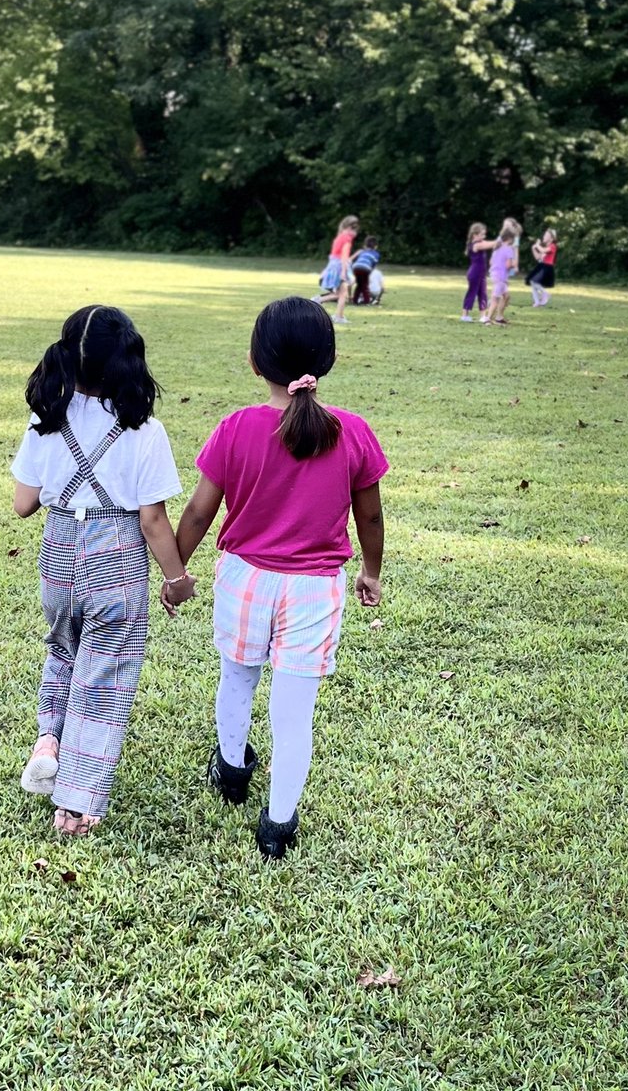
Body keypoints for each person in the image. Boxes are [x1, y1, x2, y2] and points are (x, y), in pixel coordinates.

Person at [168, 297, 388, 860]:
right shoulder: (353, 431)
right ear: (328, 360)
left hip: (244, 580)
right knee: (295, 711)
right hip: (314, 589)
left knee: (237, 679)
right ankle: (278, 824)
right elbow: (369, 515)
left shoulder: (237, 427)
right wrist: (370, 571)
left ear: (254, 361)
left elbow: (197, 513)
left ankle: (234, 769)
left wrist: (177, 572)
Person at [11, 306, 195, 836]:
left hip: (59, 549)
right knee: (106, 674)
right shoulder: (144, 429)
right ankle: (76, 803)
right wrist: (176, 579)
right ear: (128, 361)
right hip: (116, 553)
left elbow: (24, 503)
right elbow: (154, 520)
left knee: (63, 646)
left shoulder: (47, 418)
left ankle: (50, 739)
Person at [312, 215, 359, 325]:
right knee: (343, 294)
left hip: (333, 266)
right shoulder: (347, 239)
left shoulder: (339, 237)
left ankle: (319, 301)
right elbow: (344, 256)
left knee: (341, 294)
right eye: (355, 229)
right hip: (339, 268)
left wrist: (326, 269)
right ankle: (337, 316)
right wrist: (343, 272)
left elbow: (333, 255)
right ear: (351, 228)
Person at [462, 223, 496, 322]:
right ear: (475, 235)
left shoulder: (480, 242)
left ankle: (483, 316)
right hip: (474, 274)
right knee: (472, 293)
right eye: (481, 234)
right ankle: (464, 315)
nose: (483, 236)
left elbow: (489, 243)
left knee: (483, 293)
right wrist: (502, 239)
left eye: (484, 234)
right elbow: (490, 244)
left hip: (481, 274)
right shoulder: (476, 245)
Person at [484, 228, 516, 324]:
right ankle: (488, 319)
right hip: (500, 277)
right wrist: (513, 265)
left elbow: (490, 262)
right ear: (510, 239)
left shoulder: (497, 248)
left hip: (494, 275)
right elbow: (508, 265)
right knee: (495, 299)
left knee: (506, 296)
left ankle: (499, 317)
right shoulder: (509, 249)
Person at [526, 229, 558, 306]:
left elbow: (543, 250)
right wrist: (533, 248)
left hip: (547, 268)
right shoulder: (545, 247)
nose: (544, 236)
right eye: (544, 234)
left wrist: (537, 245)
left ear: (551, 239)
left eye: (546, 235)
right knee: (533, 283)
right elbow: (538, 257)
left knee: (533, 282)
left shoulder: (552, 246)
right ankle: (537, 302)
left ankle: (545, 294)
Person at [350, 236, 382, 305]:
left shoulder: (363, 252)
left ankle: (355, 300)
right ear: (375, 246)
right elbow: (373, 265)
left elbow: (358, 260)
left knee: (359, 285)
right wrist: (369, 272)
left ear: (366, 245)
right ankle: (366, 301)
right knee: (365, 285)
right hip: (366, 268)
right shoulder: (376, 254)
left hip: (355, 267)